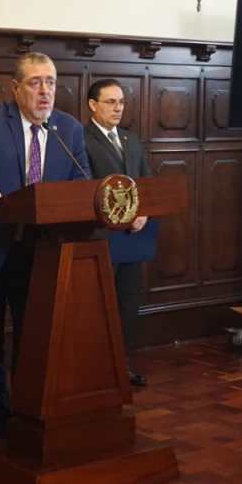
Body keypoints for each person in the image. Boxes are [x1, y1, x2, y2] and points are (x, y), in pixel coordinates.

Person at [0, 52, 90, 441]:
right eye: (35, 82)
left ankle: (29, 419)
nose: (45, 91)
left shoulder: (69, 130)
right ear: (15, 88)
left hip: (38, 255)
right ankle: (1, 429)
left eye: (51, 82)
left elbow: (83, 183)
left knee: (35, 341)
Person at [84, 78, 152, 387]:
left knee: (127, 303)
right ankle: (96, 370)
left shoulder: (131, 140)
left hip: (132, 238)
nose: (118, 108)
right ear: (93, 105)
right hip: (100, 238)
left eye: (121, 102)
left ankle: (121, 366)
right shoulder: (81, 139)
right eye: (111, 102)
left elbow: (147, 184)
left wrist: (144, 212)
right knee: (99, 305)